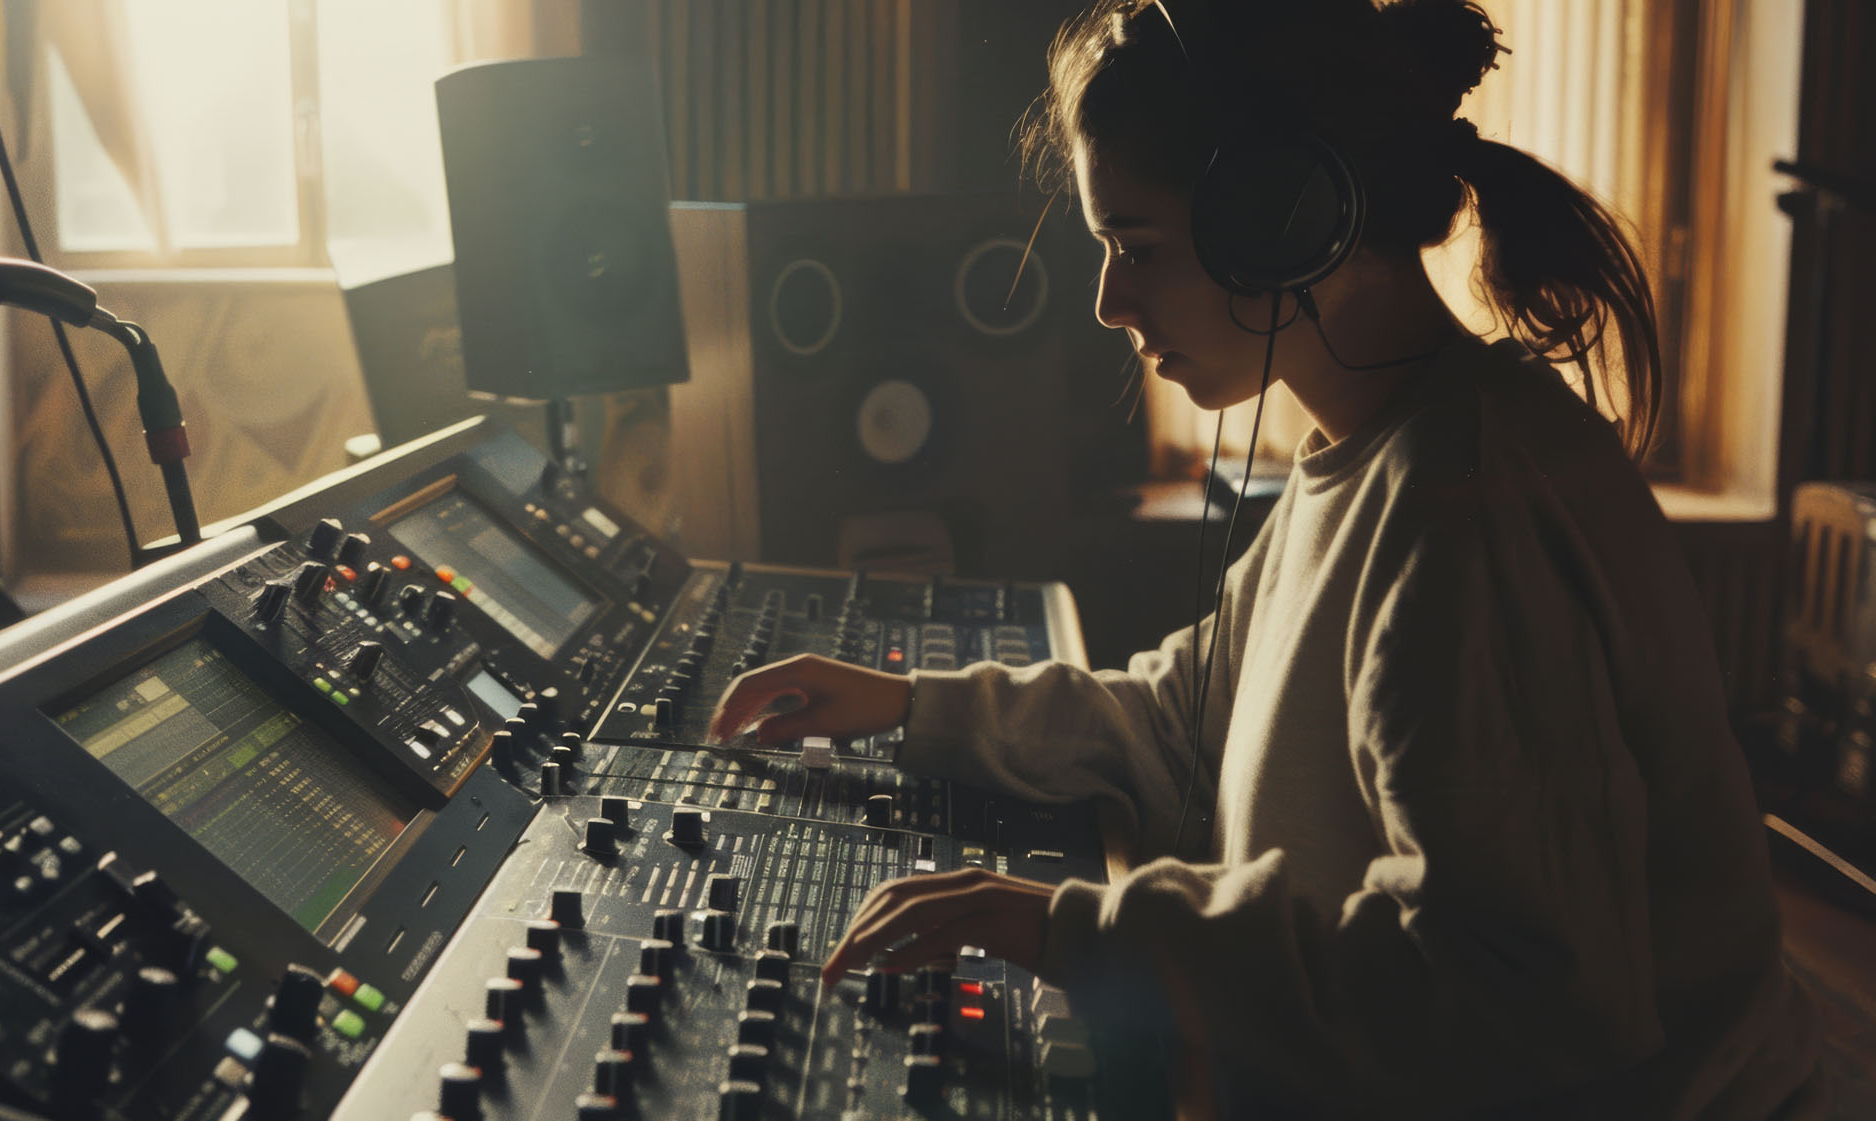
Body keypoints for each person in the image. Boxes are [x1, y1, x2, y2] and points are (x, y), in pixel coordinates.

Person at [708, 0, 1822, 1116]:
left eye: (1134, 246)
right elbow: (1182, 720)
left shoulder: (1466, 510)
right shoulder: (1370, 452)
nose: (1107, 301)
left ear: (1284, 223)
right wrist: (910, 708)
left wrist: (1072, 927)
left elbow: (1514, 991)